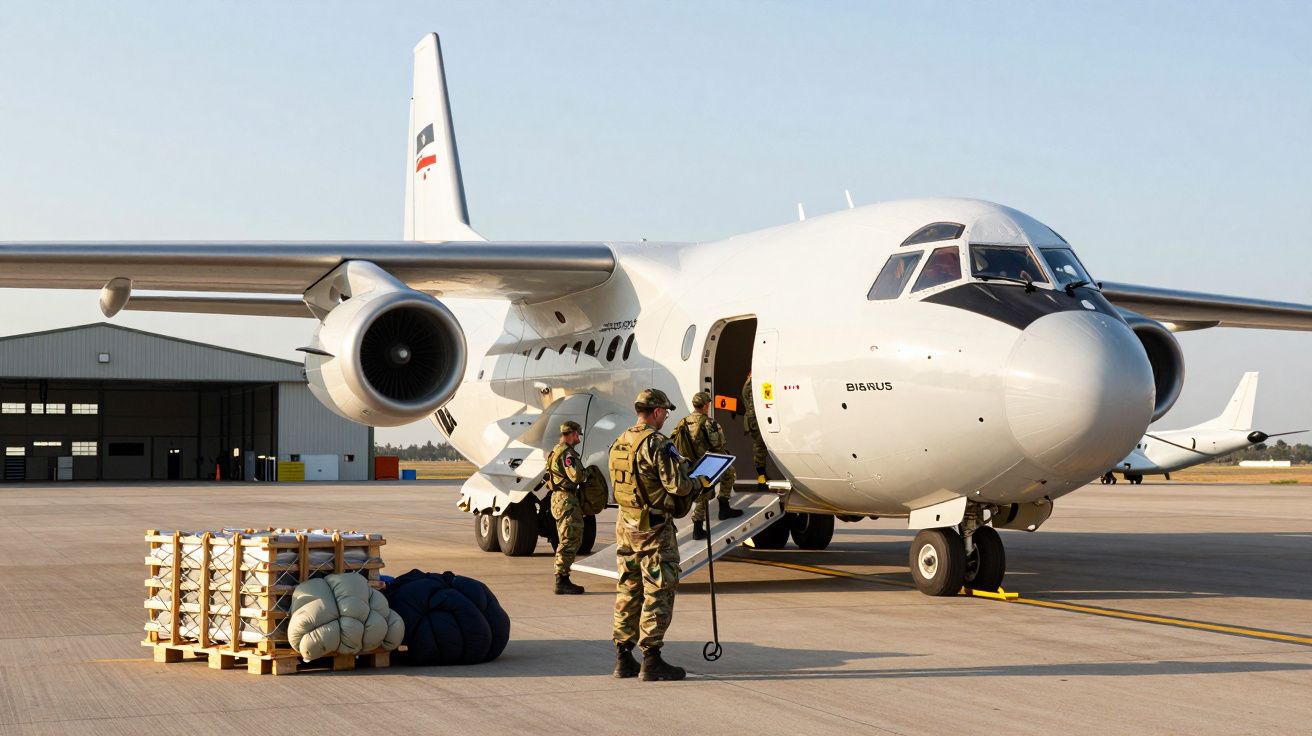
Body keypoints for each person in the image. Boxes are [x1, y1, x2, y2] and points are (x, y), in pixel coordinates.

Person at [607, 387, 701, 681]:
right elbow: (679, 487)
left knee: (628, 587)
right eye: (665, 413)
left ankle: (623, 658)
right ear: (657, 412)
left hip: (626, 526)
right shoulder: (659, 444)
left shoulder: (620, 441)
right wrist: (701, 482)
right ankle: (652, 658)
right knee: (658, 589)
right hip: (654, 528)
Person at [673, 391, 743, 540]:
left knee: (701, 492)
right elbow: (718, 444)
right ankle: (723, 505)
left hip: (688, 464)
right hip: (706, 462)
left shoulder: (683, 422)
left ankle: (698, 526)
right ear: (705, 406)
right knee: (729, 472)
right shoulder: (709, 422)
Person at [547, 420, 589, 595]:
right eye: (577, 434)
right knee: (569, 539)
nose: (579, 437)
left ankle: (562, 577)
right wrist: (588, 473)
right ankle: (561, 579)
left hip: (559, 498)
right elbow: (577, 476)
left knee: (567, 537)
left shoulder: (556, 450)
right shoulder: (567, 454)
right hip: (566, 499)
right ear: (571, 434)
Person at [742, 373, 768, 490]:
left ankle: (762, 476)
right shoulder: (750, 384)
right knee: (760, 446)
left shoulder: (749, 384)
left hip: (754, 418)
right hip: (755, 418)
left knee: (760, 446)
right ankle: (761, 477)